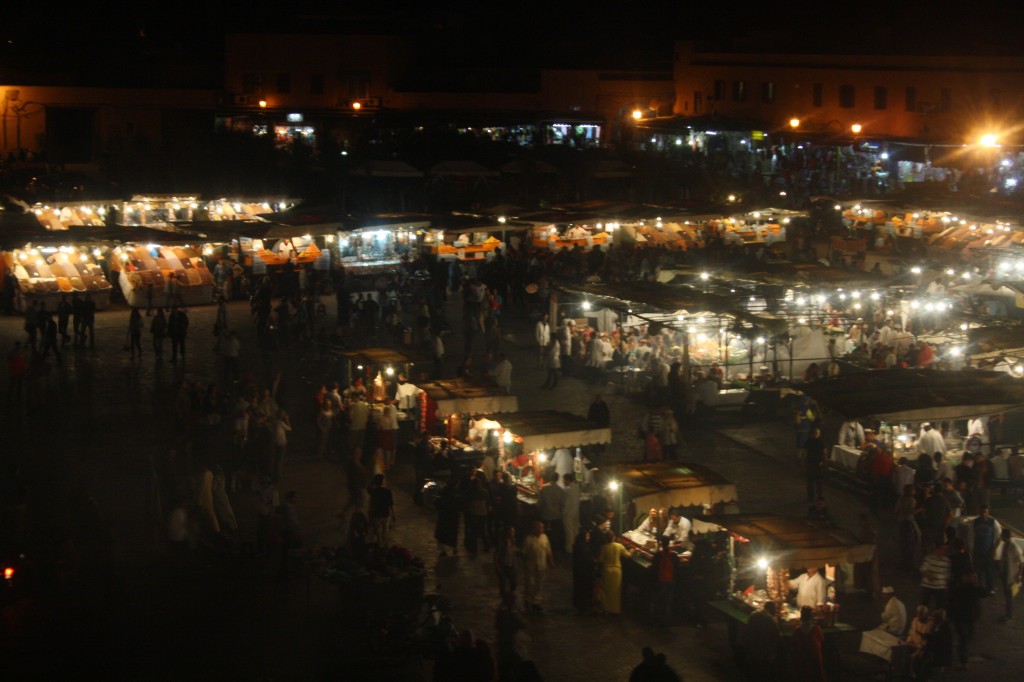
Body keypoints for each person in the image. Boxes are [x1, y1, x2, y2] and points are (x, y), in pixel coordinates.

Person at [948, 571, 986, 671]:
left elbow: (984, 593)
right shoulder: (958, 588)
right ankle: (964, 661)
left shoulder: (975, 588)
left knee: (969, 637)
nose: (970, 579)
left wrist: (977, 584)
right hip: (960, 618)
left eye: (972, 577)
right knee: (963, 638)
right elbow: (951, 601)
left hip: (972, 617)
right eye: (968, 577)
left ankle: (962, 653)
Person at [739, 601, 780, 680]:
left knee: (752, 666)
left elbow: (747, 630)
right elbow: (776, 637)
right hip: (764, 650)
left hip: (751, 645)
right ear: (772, 610)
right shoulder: (771, 620)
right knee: (763, 670)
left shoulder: (753, 614)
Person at [596, 529, 631, 615]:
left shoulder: (604, 547)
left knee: (606, 590)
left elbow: (600, 560)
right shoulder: (619, 546)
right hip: (617, 571)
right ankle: (615, 610)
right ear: (613, 537)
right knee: (616, 591)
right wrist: (633, 550)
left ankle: (606, 608)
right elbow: (628, 555)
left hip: (607, 570)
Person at [522, 521, 554, 613]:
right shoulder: (528, 539)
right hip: (531, 566)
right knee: (530, 584)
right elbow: (524, 553)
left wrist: (551, 561)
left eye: (541, 528)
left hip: (542, 565)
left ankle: (536, 602)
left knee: (539, 584)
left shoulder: (545, 538)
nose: (540, 530)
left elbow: (548, 550)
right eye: (538, 528)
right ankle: (528, 600)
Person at [993, 527, 1023, 622]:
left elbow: (1021, 562)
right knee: (1007, 594)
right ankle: (1008, 613)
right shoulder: (1005, 545)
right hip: (1005, 573)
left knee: (1009, 595)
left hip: (1012, 574)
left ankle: (1009, 614)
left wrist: (1018, 575)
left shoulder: (1014, 547)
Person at [790, 605, 825, 682]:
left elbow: (793, 643)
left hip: (801, 660)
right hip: (814, 659)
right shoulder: (816, 629)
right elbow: (822, 640)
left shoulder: (797, 630)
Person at [649, 536, 678, 625]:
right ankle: (666, 620)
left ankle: (656, 619)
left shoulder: (658, 555)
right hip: (670, 580)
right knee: (668, 600)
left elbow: (653, 566)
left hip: (659, 580)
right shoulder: (674, 555)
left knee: (658, 599)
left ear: (661, 543)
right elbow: (677, 566)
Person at [972, 504, 1001, 593]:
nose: (983, 514)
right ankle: (980, 587)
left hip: (989, 551)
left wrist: (994, 549)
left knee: (989, 570)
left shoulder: (993, 522)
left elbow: (999, 536)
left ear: (988, 512)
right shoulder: (975, 522)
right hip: (978, 550)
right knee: (979, 570)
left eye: (985, 512)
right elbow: (971, 536)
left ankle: (990, 587)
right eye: (982, 512)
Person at [537, 474, 565, 556]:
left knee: (544, 533)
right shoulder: (560, 490)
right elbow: (562, 504)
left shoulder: (544, 488)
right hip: (556, 515)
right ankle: (554, 551)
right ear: (557, 479)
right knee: (555, 534)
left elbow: (540, 502)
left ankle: (543, 550)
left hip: (545, 514)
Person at [366, 473, 395, 547]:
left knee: (378, 533)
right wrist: (393, 515)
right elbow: (390, 505)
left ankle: (379, 547)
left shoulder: (374, 491)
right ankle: (384, 547)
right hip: (386, 515)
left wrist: (373, 482)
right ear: (382, 481)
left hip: (377, 515)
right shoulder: (388, 492)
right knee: (385, 533)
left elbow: (368, 488)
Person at [919, 543, 951, 610]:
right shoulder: (929, 558)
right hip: (928, 585)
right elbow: (923, 570)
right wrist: (929, 576)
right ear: (938, 549)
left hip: (941, 586)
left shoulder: (947, 561)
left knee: (940, 606)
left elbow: (947, 573)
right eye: (942, 549)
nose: (944, 551)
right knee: (924, 605)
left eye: (945, 550)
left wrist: (947, 583)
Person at [803, 427, 827, 501]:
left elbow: (805, 453)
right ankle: (819, 495)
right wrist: (825, 462)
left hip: (810, 462)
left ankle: (811, 496)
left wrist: (802, 461)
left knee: (810, 481)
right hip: (817, 463)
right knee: (818, 480)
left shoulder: (808, 441)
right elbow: (825, 453)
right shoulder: (821, 442)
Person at [494, 526, 517, 597]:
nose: (513, 534)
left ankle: (510, 595)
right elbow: (497, 556)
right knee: (503, 583)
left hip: (510, 565)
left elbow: (513, 551)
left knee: (514, 582)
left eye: (513, 532)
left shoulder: (513, 541)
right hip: (503, 566)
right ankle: (504, 597)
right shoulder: (502, 543)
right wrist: (498, 567)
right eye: (511, 532)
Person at [562, 473, 580, 555]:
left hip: (568, 513)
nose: (563, 482)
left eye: (564, 480)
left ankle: (570, 548)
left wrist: (563, 511)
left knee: (569, 532)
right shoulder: (577, 488)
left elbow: (563, 502)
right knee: (575, 530)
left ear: (568, 480)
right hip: (576, 512)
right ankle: (577, 546)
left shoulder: (567, 489)